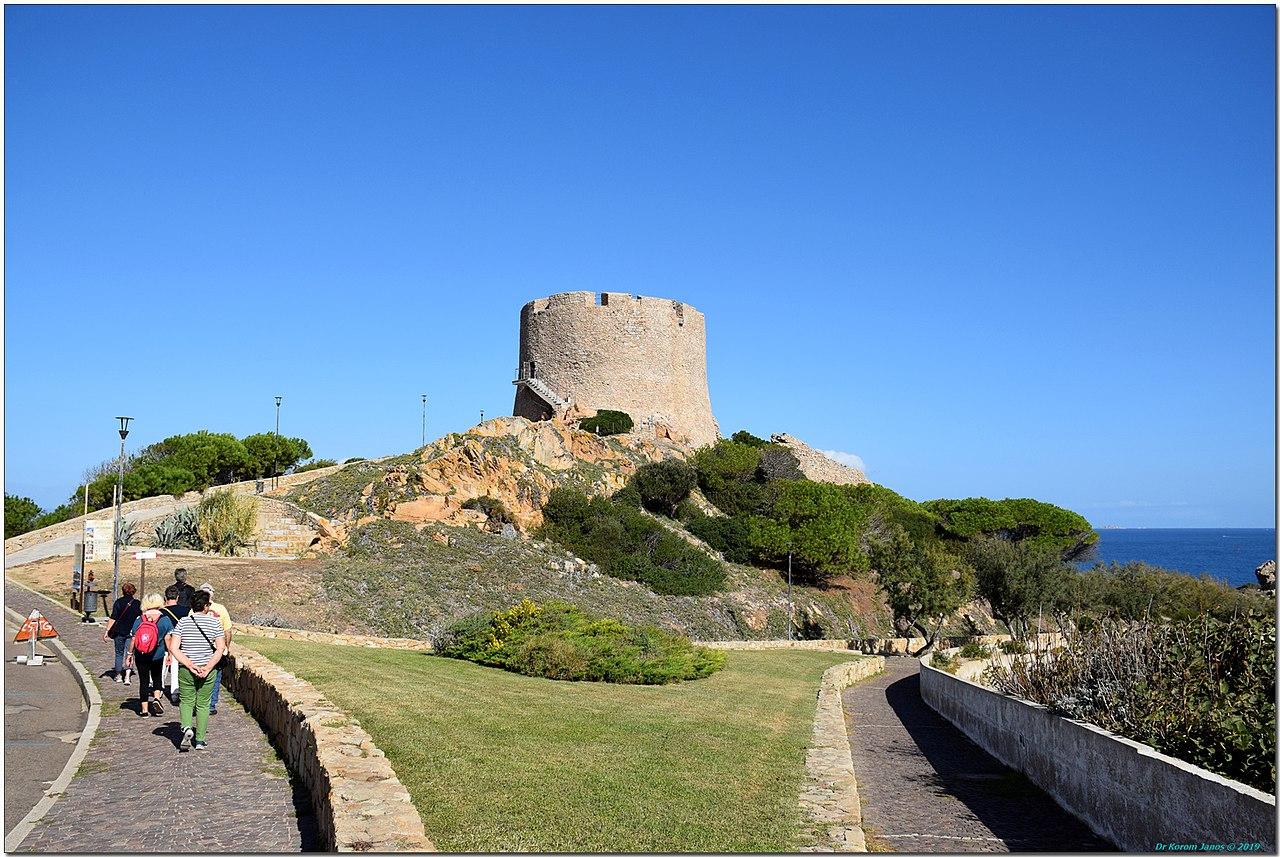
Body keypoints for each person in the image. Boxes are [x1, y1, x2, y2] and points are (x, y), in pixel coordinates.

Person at [166, 589, 224, 751]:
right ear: (206, 606)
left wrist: (190, 664)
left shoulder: (183, 622)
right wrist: (208, 667)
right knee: (203, 704)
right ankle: (200, 740)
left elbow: (174, 648)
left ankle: (186, 727)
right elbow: (220, 648)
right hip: (208, 669)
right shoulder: (214, 623)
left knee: (186, 701)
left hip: (187, 669)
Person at [127, 593, 175, 717]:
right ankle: (157, 699)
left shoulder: (139, 619)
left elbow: (133, 639)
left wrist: (129, 654)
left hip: (141, 655)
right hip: (157, 654)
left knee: (144, 681)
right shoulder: (164, 619)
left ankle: (144, 710)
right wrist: (170, 654)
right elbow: (168, 639)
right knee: (157, 677)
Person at [199, 583, 233, 715]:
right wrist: (226, 646)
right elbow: (228, 630)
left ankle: (201, 702)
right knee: (216, 675)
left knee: (200, 673)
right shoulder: (221, 609)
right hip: (216, 647)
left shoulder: (194, 609)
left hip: (199, 647)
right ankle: (211, 704)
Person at [103, 582, 141, 683]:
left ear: (123, 591)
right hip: (132, 632)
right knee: (130, 653)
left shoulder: (118, 602)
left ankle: (118, 675)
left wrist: (107, 631)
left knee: (119, 653)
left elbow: (113, 618)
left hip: (119, 631)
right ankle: (127, 676)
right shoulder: (137, 603)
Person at [161, 585, 189, 704]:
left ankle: (159, 688)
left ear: (165, 597)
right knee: (176, 668)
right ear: (177, 597)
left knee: (161, 668)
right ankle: (175, 692)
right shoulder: (186, 611)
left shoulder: (161, 612)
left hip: (163, 644)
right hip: (180, 645)